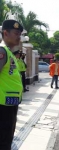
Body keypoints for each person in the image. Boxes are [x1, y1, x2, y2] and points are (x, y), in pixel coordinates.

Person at [0, 19, 23, 150]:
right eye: (16, 33)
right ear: (6, 33)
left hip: (9, 105)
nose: (19, 37)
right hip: (2, 107)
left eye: (20, 34)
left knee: (7, 140)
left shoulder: (9, 53)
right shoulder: (2, 52)